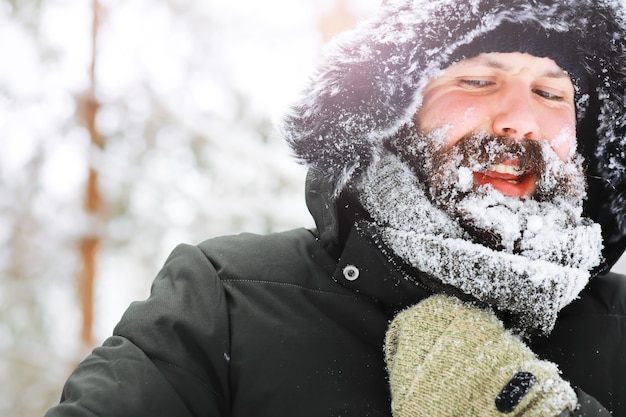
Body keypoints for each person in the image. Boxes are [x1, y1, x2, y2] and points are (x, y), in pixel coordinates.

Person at [45, 0, 626, 416]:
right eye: (476, 81)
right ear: (394, 116)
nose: (522, 119)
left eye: (551, 93)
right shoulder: (227, 300)